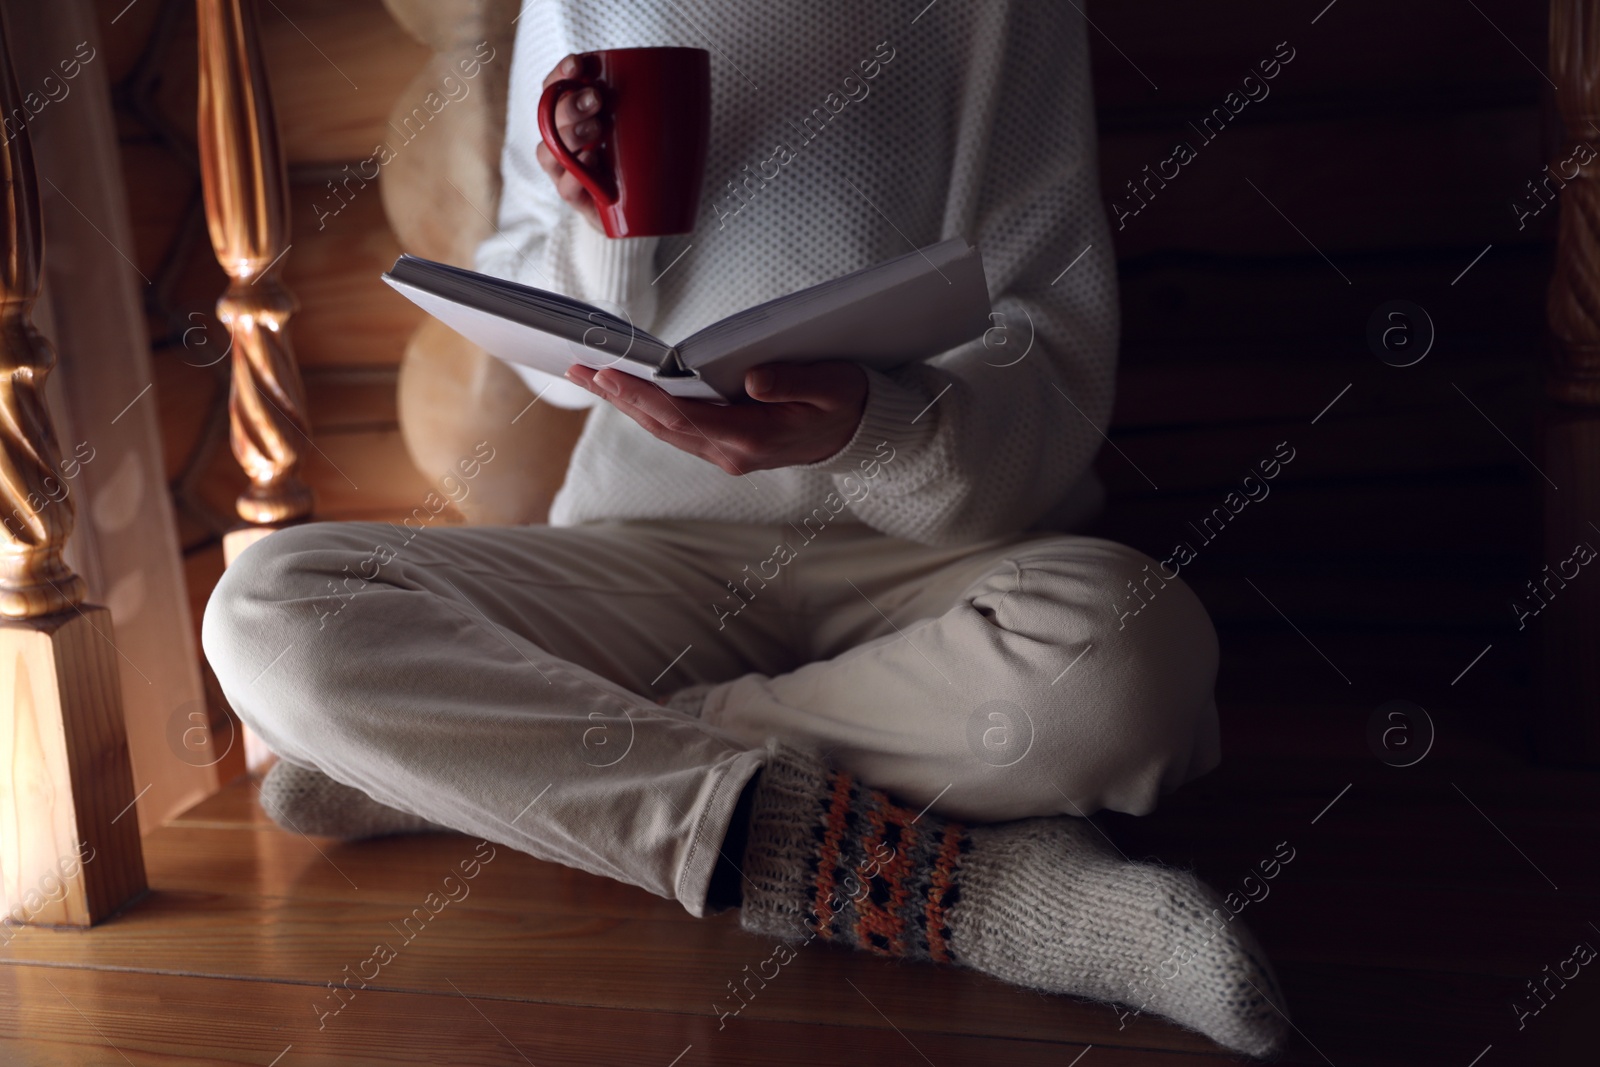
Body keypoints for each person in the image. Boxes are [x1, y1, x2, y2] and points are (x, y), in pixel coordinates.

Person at [203, 1, 1288, 1056]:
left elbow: (1046, 342)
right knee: (270, 612)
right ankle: (952, 885)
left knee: (1128, 661)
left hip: (946, 561)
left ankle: (507, 767)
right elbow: (561, 345)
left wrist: (871, 425)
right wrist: (609, 228)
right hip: (649, 553)